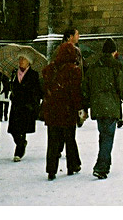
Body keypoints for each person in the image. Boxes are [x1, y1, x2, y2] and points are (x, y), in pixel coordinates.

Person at [81, 37, 123, 179]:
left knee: (103, 135)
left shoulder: (94, 67)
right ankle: (102, 167)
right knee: (107, 137)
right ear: (113, 52)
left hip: (98, 107)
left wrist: (85, 106)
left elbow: (85, 87)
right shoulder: (117, 66)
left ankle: (105, 163)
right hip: (111, 106)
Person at [41, 38, 84, 180]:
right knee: (70, 139)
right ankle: (72, 165)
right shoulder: (74, 70)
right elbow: (76, 92)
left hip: (52, 111)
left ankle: (51, 169)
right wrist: (80, 108)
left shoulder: (50, 69)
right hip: (67, 110)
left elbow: (45, 86)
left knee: (52, 141)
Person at [8, 52, 43, 161]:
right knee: (13, 130)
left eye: (24, 59)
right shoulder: (14, 73)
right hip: (16, 105)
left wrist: (33, 103)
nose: (21, 61)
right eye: (20, 59)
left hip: (27, 106)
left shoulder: (33, 74)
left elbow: (37, 91)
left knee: (22, 129)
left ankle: (19, 151)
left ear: (29, 62)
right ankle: (21, 143)